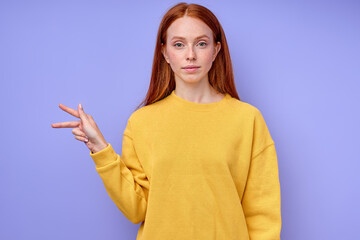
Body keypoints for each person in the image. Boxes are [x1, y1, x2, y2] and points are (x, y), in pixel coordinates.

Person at [51, 2, 281, 239]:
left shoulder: (247, 119)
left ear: (216, 50)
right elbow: (136, 209)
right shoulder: (142, 122)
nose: (190, 55)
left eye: (201, 43)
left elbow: (263, 212)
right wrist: (100, 148)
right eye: (179, 44)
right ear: (164, 52)